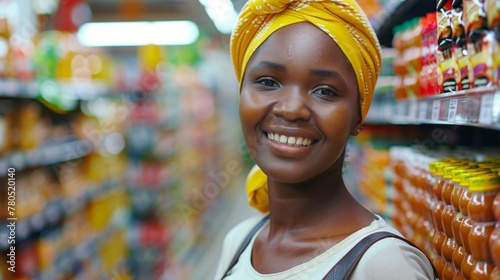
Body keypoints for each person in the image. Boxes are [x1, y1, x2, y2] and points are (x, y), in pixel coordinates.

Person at [214, 0, 437, 279]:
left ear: (358, 116)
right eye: (269, 82)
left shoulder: (384, 266)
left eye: (325, 91)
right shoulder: (239, 241)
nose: (291, 109)